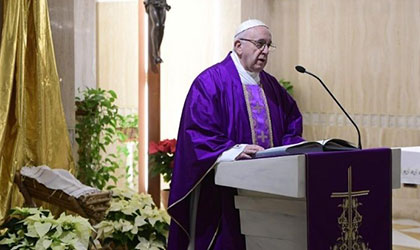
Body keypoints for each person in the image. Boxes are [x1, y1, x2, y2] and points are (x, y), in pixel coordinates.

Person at [167, 19, 304, 250]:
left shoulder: (272, 87)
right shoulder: (210, 82)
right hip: (223, 192)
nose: (266, 51)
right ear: (238, 46)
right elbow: (197, 132)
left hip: (270, 188)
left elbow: (292, 121)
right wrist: (234, 150)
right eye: (260, 44)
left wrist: (289, 149)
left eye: (269, 45)